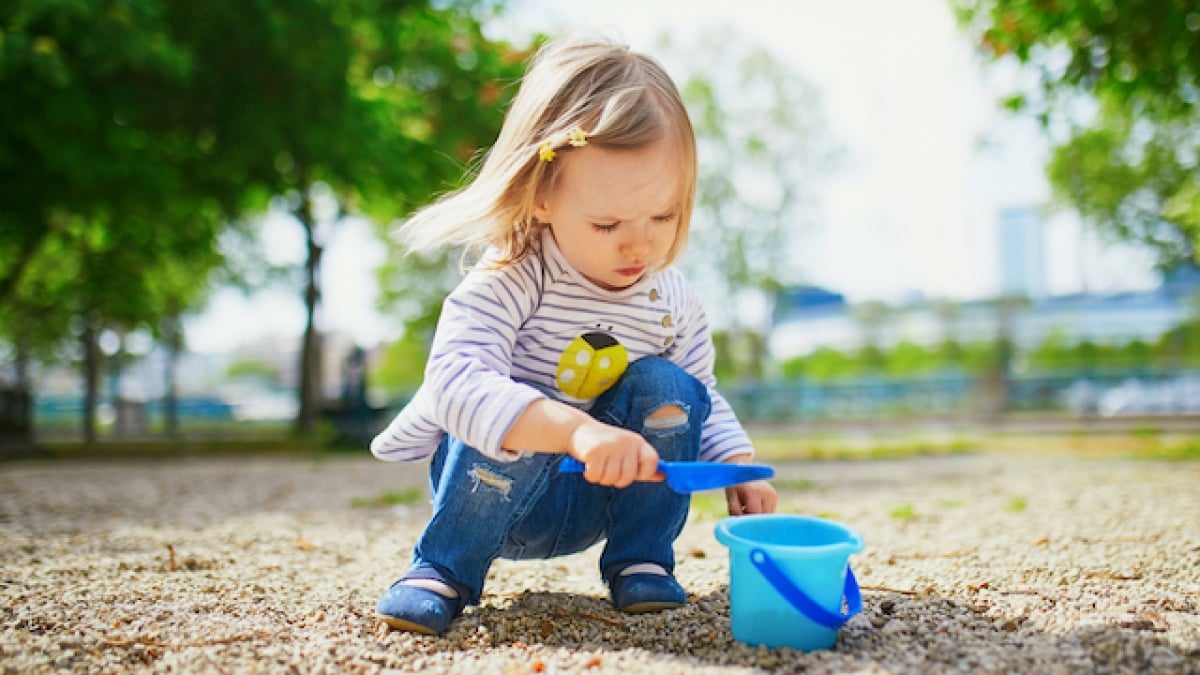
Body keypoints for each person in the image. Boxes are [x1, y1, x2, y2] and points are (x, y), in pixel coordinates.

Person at [369, 34, 778, 636]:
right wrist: (575, 429)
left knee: (670, 383)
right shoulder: (514, 274)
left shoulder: (671, 299)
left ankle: (641, 556)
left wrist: (735, 461)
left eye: (663, 215)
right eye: (607, 223)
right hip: (494, 494)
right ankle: (444, 568)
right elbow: (455, 382)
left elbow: (702, 395)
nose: (639, 244)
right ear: (541, 197)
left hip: (600, 500)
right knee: (515, 401)